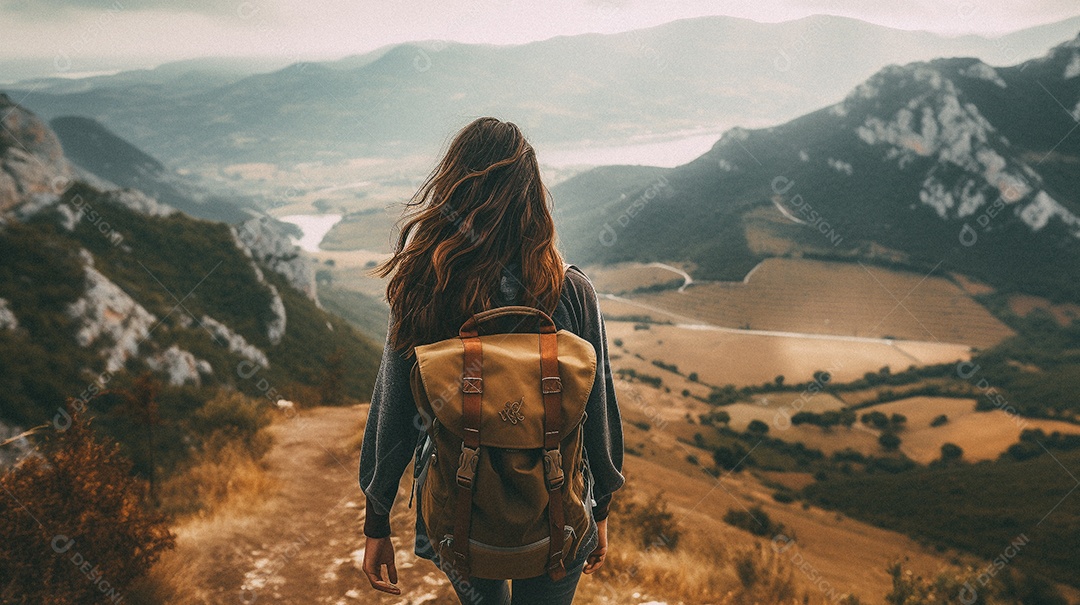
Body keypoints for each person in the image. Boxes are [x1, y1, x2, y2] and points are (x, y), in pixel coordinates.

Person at [357, 117, 625, 604]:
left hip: (459, 508)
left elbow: (394, 412)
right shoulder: (571, 292)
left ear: (452, 189)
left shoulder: (424, 286)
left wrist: (377, 520)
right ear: (533, 199)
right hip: (556, 510)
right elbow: (598, 410)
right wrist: (600, 504)